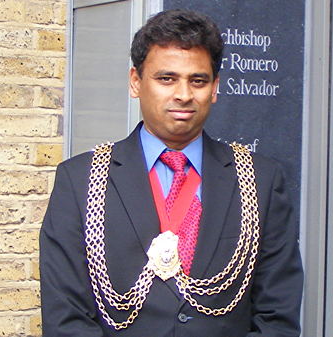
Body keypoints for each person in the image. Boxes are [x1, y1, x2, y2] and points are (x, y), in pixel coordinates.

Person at [40, 9, 303, 337]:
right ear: (135, 82)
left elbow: (277, 316)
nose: (183, 94)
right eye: (166, 79)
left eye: (198, 80)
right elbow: (65, 318)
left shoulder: (259, 182)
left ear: (215, 87)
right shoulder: (80, 181)